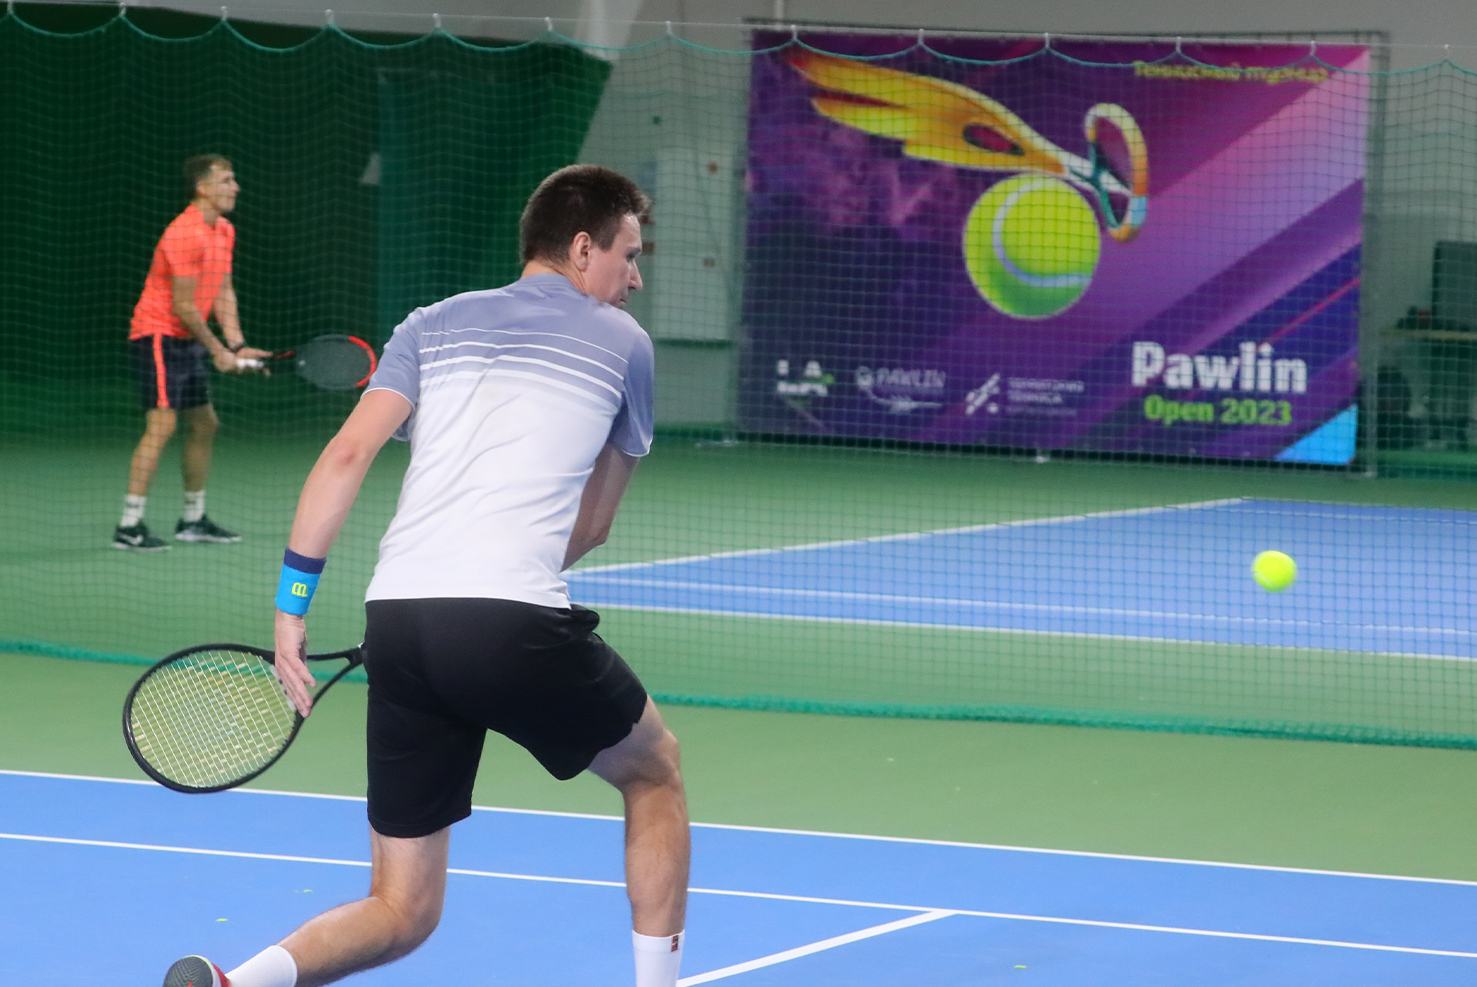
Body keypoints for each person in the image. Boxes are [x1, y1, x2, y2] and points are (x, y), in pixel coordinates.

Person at [163, 165, 690, 987]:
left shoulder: (428, 324)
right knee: (654, 771)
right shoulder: (627, 344)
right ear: (585, 248)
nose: (636, 277)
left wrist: (291, 608)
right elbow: (592, 525)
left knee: (402, 907)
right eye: (630, 255)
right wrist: (489, 598)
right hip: (510, 617)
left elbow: (346, 455)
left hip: (398, 620)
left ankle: (235, 984)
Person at [114, 154, 271, 551]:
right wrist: (217, 350)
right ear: (202, 187)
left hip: (188, 340)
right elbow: (184, 307)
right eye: (226, 180)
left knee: (204, 423)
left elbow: (222, 289)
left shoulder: (224, 230)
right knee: (162, 426)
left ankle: (192, 520)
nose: (235, 187)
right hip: (158, 335)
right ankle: (129, 526)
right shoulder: (184, 233)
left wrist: (236, 344)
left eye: (234, 179)